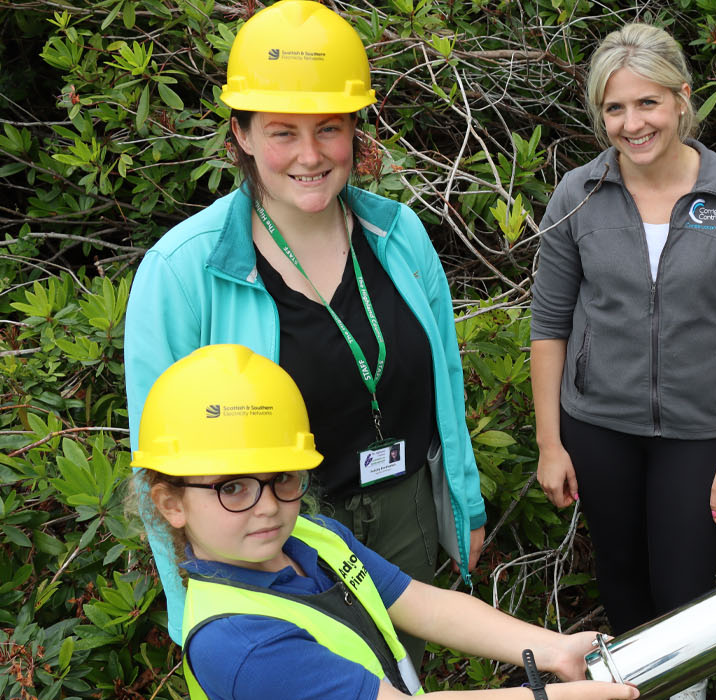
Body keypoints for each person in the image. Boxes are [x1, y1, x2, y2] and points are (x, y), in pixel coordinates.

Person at [123, 0, 486, 661]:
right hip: (274, 534)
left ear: (355, 130)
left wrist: (464, 507)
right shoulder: (181, 274)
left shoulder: (399, 236)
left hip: (404, 510)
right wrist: (193, 610)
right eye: (283, 131)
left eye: (329, 128)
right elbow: (159, 462)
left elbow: (446, 385)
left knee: (403, 671)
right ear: (241, 134)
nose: (311, 155)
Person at [126, 344, 636, 700]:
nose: (266, 506)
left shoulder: (312, 536)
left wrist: (553, 647)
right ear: (172, 503)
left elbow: (423, 604)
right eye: (232, 487)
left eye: (282, 477)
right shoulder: (239, 642)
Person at [529, 22, 716, 700]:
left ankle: (683, 690)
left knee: (685, 587)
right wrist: (550, 443)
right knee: (621, 577)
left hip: (700, 434)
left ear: (681, 100)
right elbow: (549, 326)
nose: (632, 123)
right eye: (615, 108)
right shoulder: (578, 196)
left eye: (648, 103)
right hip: (598, 425)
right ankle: (629, 691)